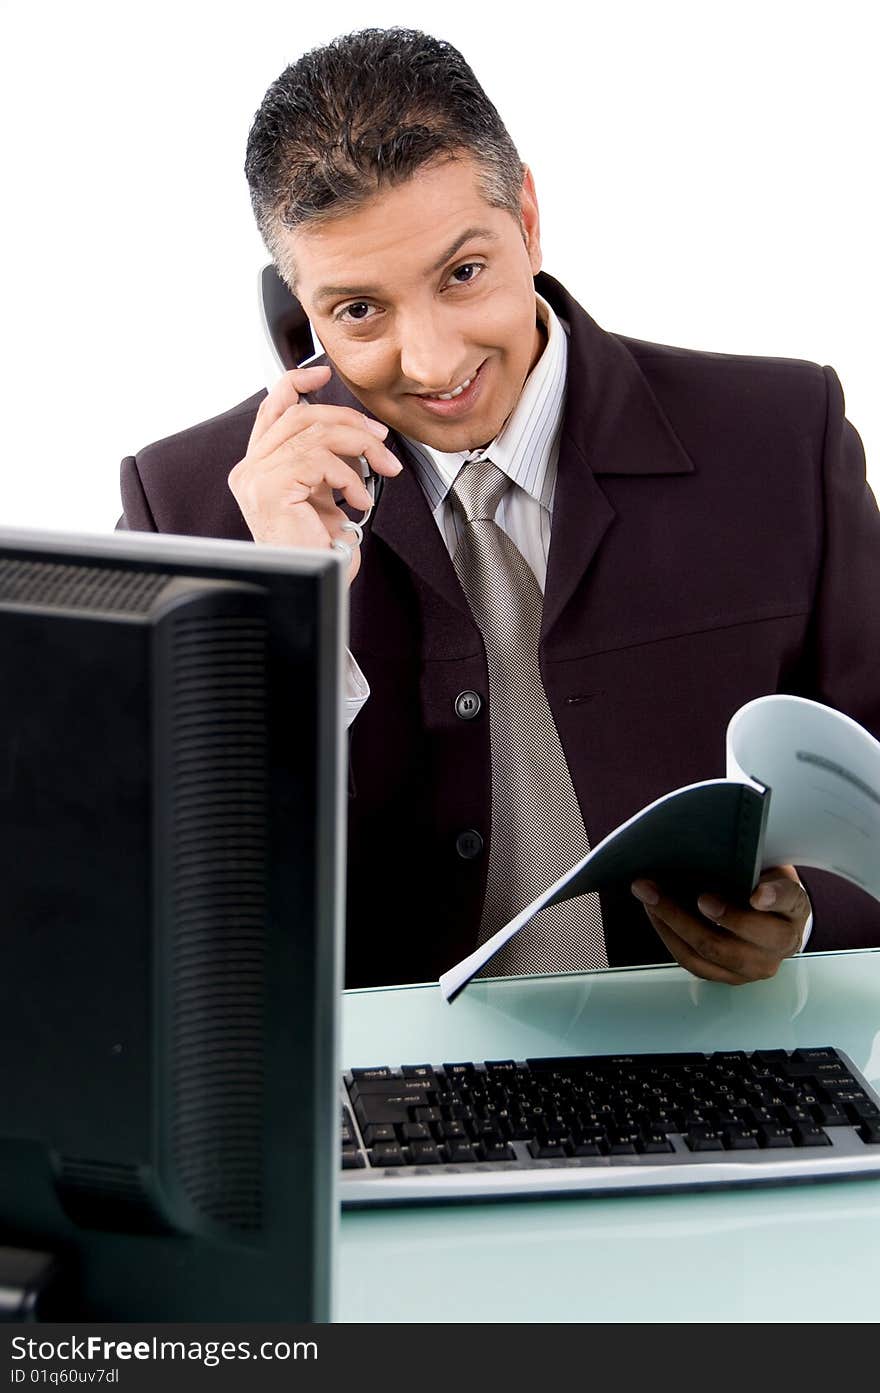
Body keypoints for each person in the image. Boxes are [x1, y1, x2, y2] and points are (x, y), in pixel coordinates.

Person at [119, 27, 880, 989]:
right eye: (359, 310)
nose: (433, 363)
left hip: (733, 1052)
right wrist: (283, 612)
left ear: (525, 212)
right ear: (299, 303)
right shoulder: (189, 506)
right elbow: (149, 913)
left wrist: (806, 912)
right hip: (386, 1101)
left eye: (462, 273)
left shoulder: (780, 437)